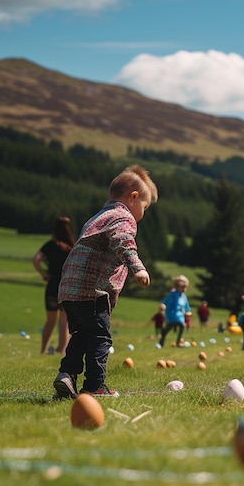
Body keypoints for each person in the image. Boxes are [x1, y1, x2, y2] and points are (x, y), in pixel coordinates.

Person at [53, 164, 158, 399]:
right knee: (100, 338)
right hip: (93, 290)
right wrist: (138, 268)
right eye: (145, 206)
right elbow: (123, 241)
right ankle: (94, 386)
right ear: (133, 198)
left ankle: (66, 375)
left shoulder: (97, 218)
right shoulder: (123, 217)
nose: (142, 212)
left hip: (69, 288)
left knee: (81, 334)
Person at [32, 216, 76, 355]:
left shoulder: (50, 245)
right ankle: (62, 351)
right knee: (64, 322)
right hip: (66, 286)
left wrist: (43, 274)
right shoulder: (72, 247)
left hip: (52, 286)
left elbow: (36, 260)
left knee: (50, 321)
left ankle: (43, 349)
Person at [158, 275, 192, 348]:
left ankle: (178, 341)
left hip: (180, 316)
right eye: (182, 287)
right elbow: (165, 301)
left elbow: (186, 305)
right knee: (169, 328)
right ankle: (162, 340)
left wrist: (188, 311)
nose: (184, 289)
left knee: (182, 326)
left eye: (185, 287)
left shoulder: (183, 296)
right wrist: (163, 305)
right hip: (172, 315)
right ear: (177, 286)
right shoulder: (173, 294)